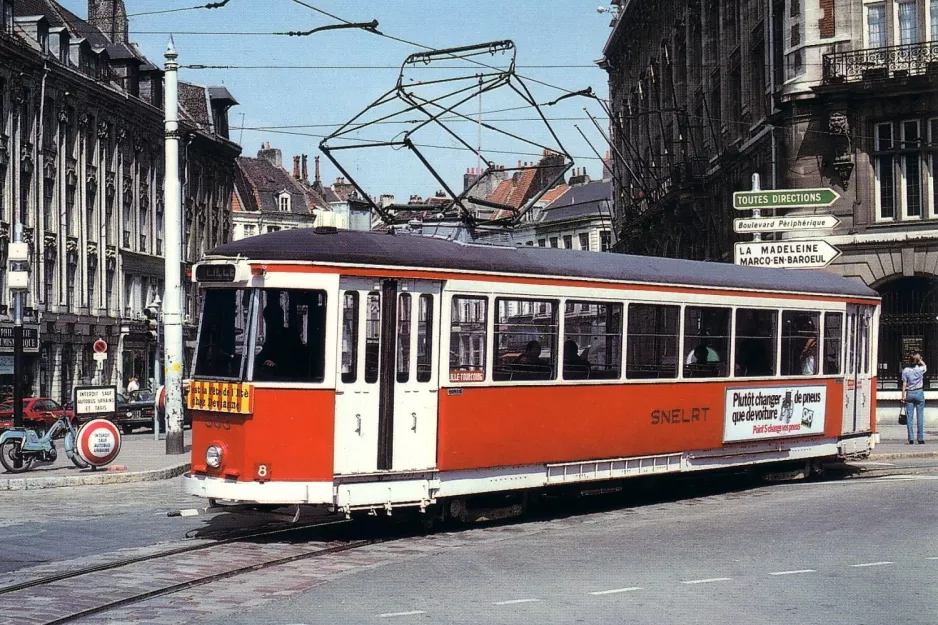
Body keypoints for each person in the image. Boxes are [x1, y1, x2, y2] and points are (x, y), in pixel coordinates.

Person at [901, 352, 927, 445]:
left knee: (909, 417)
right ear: (917, 361)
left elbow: (904, 384)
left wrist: (903, 396)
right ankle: (920, 438)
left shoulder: (906, 370)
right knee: (920, 416)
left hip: (910, 393)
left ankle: (911, 438)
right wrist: (920, 360)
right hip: (919, 392)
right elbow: (925, 366)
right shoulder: (920, 369)